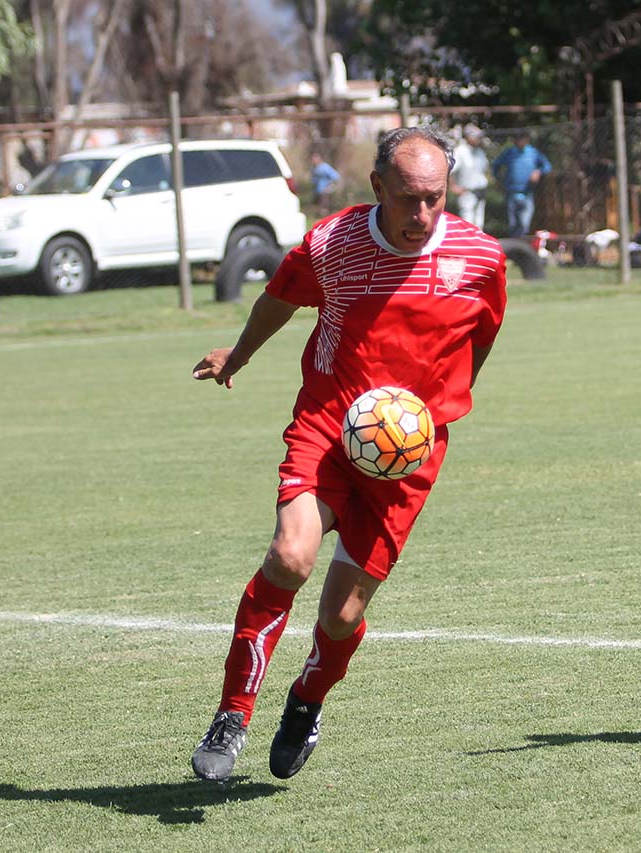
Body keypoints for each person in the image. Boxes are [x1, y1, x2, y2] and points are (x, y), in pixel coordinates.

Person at [189, 126, 508, 782]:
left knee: (340, 615)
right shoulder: (332, 244)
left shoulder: (480, 258)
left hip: (407, 461)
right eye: (408, 198)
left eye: (436, 199)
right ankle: (232, 712)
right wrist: (238, 354)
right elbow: (277, 299)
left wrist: (437, 409)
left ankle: (306, 701)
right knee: (289, 554)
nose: (422, 214)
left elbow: (482, 338)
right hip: (330, 429)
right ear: (379, 187)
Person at [492, 130, 552, 237]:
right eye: (517, 138)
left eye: (522, 138)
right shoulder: (509, 153)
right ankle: (514, 246)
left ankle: (521, 245)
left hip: (527, 193)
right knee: (513, 225)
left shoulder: (533, 153)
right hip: (511, 193)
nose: (520, 141)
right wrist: (498, 179)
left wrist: (538, 171)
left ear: (527, 140)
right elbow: (496, 165)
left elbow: (547, 166)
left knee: (524, 225)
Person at [451, 124, 490, 230]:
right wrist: (454, 186)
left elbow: (484, 169)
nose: (478, 139)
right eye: (476, 136)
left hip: (481, 191)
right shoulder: (460, 151)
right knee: (467, 223)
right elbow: (450, 171)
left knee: (479, 223)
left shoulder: (480, 152)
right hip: (467, 192)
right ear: (468, 137)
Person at [309, 151, 342, 218]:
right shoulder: (315, 168)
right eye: (313, 159)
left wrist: (329, 186)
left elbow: (335, 176)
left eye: (315, 158)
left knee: (324, 206)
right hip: (318, 191)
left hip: (325, 191)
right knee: (317, 205)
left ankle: (325, 219)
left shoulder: (325, 167)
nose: (314, 160)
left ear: (319, 158)